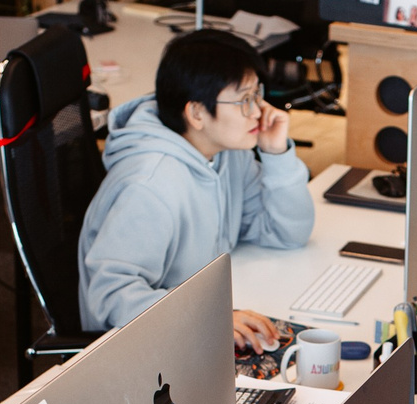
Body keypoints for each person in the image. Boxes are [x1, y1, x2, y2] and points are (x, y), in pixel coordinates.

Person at [76, 29, 315, 351]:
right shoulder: (149, 186)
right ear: (197, 113)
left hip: (197, 321)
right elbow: (110, 296)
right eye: (244, 100)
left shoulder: (227, 153)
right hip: (146, 347)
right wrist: (208, 318)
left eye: (257, 94)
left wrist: (277, 155)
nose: (259, 111)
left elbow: (288, 233)